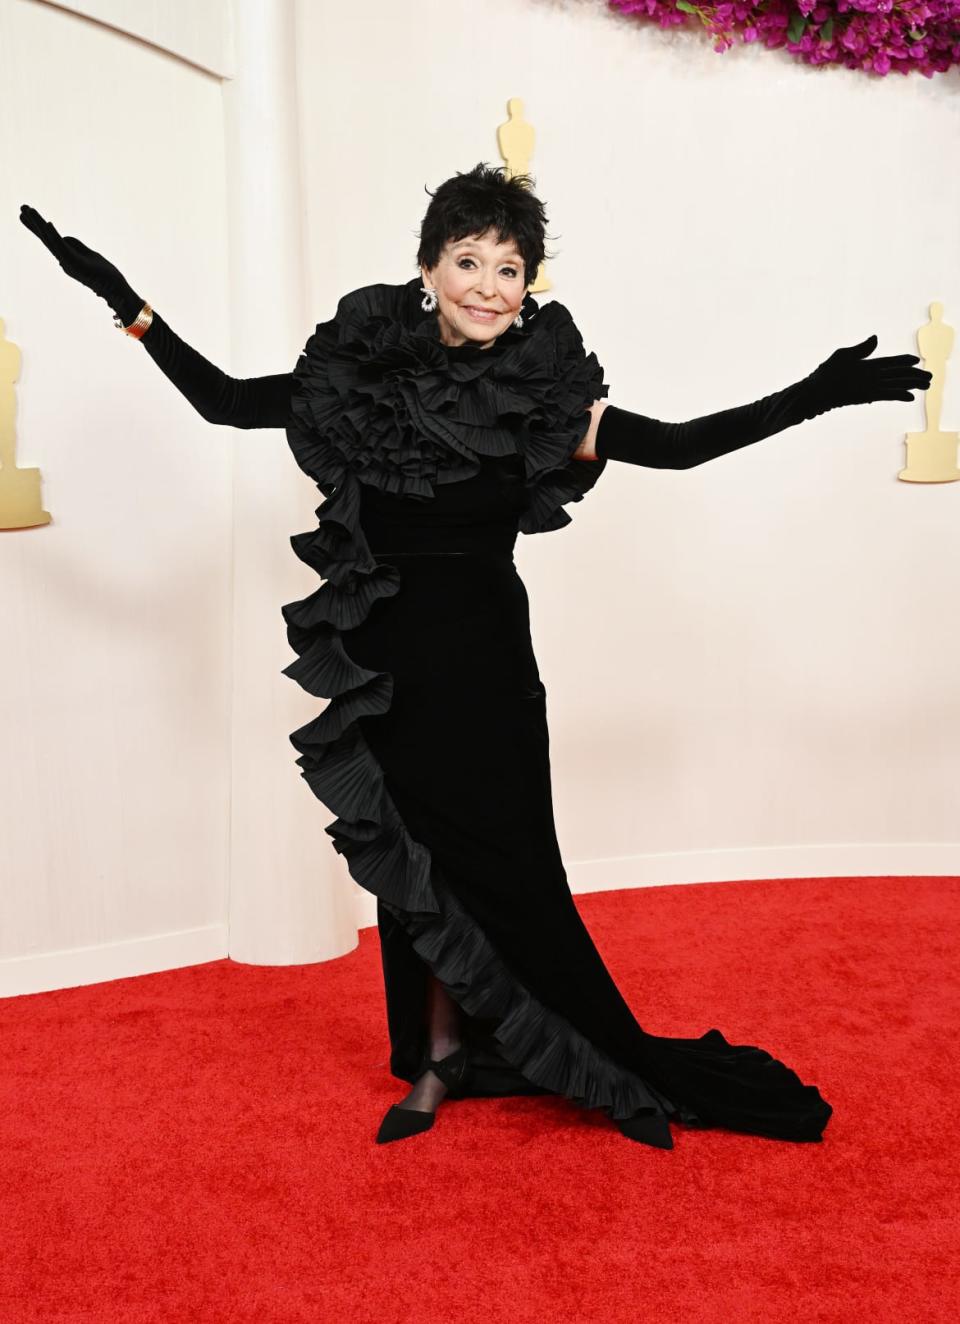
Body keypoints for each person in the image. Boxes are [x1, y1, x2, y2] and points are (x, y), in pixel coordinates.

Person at [19, 165, 930, 1150]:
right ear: (429, 268)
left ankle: (600, 1055)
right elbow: (229, 402)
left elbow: (676, 445)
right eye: (469, 260)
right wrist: (123, 300)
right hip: (388, 670)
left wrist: (819, 394)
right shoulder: (361, 383)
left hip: (489, 673)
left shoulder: (543, 396)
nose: (490, 284)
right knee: (412, 871)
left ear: (527, 282)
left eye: (510, 266)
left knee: (516, 877)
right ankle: (441, 1055)